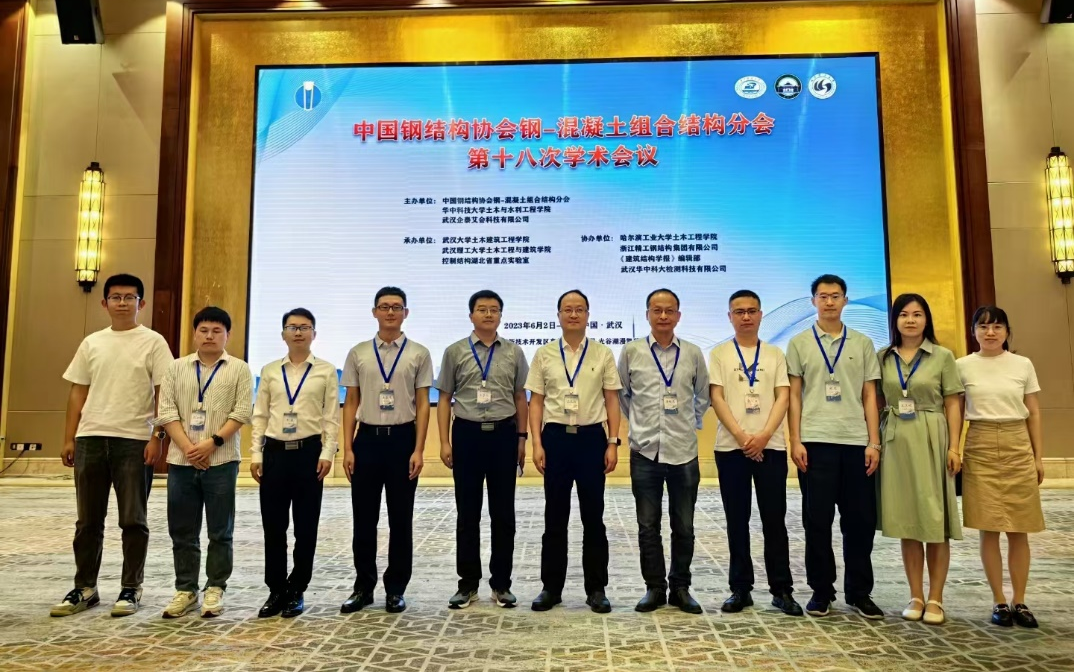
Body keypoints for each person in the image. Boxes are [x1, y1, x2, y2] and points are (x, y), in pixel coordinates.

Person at [51, 273, 174, 618]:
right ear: (104, 303)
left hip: (134, 441)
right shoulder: (92, 342)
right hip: (90, 438)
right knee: (87, 522)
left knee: (133, 520)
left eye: (129, 297)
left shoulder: (153, 342)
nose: (123, 303)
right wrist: (69, 437)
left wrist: (157, 436)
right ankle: (85, 588)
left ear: (141, 303)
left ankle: (131, 587)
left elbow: (164, 393)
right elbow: (78, 392)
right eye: (116, 297)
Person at [786, 274, 884, 620]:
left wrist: (874, 441)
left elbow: (870, 395)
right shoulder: (799, 343)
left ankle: (859, 592)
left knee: (860, 522)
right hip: (814, 443)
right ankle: (821, 591)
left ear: (845, 300)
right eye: (823, 296)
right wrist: (795, 439)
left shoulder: (862, 342)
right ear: (812, 301)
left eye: (836, 296)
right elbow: (794, 396)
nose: (829, 302)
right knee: (817, 521)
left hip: (856, 443)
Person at [526, 289, 622, 613]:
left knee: (593, 517)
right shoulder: (544, 354)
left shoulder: (602, 353)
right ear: (558, 315)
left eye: (579, 309)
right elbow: (536, 402)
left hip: (592, 439)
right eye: (567, 309)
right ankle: (551, 588)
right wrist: (537, 443)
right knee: (555, 517)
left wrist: (613, 442)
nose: (573, 314)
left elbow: (612, 400)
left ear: (588, 315)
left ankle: (596, 589)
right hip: (555, 439)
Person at [340, 287, 433, 614]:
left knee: (401, 520)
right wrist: (347, 447)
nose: (390, 312)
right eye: (384, 306)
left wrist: (419, 449)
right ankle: (363, 587)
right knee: (364, 519)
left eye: (396, 307)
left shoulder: (419, 353)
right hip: (366, 440)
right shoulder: (359, 353)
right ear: (374, 312)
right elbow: (351, 401)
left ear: (406, 313)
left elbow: (423, 403)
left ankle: (396, 589)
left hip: (402, 440)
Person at [709, 290, 802, 617]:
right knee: (737, 521)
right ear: (730, 317)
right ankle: (740, 589)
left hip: (771, 447)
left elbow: (783, 397)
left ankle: (782, 590)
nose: (746, 317)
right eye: (739, 311)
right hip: (730, 448)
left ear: (761, 315)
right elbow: (717, 397)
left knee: (774, 521)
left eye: (751, 311)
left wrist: (762, 437)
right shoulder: (720, 353)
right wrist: (742, 436)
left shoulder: (775, 354)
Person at [157, 306, 253, 619]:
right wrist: (188, 448)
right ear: (195, 333)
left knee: (220, 530)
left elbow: (242, 412)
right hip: (181, 460)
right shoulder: (176, 368)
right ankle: (186, 589)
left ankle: (215, 587)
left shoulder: (239, 369)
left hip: (221, 460)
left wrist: (211, 444)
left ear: (228, 335)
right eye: (204, 330)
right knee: (182, 530)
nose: (209, 336)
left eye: (216, 331)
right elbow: (166, 411)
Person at [618, 289, 709, 614]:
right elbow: (623, 395)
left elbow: (702, 395)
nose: (663, 316)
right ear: (648, 314)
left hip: (683, 451)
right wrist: (640, 424)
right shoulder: (631, 351)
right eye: (657, 310)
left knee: (684, 526)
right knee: (648, 526)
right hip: (645, 452)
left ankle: (680, 588)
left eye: (669, 310)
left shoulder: (693, 353)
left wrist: (687, 423)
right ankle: (654, 588)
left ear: (678, 316)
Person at [437, 290, 529, 609]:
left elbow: (520, 397)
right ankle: (467, 584)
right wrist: (444, 441)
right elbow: (444, 398)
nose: (488, 314)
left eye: (494, 310)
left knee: (503, 514)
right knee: (468, 513)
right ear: (471, 315)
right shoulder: (455, 351)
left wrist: (522, 439)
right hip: (467, 435)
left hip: (504, 435)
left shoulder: (514, 352)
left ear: (501, 315)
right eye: (482, 309)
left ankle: (501, 584)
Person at [875, 294, 963, 625]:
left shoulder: (942, 356)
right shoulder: (883, 356)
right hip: (896, 438)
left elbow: (953, 403)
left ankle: (936, 598)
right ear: (895, 320)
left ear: (927, 319)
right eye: (904, 315)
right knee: (907, 520)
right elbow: (877, 400)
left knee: (935, 520)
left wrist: (954, 447)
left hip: (932, 437)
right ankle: (915, 595)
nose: (910, 320)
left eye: (917, 314)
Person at [957, 306, 1045, 628]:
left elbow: (1034, 412)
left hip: (1016, 441)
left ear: (1007, 331)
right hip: (979, 443)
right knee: (989, 527)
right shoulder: (962, 366)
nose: (990, 332)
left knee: (1019, 527)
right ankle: (998, 601)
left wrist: (1037, 456)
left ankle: (1020, 601)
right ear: (973, 332)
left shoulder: (1022, 364)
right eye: (983, 327)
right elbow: (956, 412)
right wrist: (955, 449)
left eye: (997, 326)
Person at [250, 308, 340, 619]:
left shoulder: (326, 371)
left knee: (306, 526)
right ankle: (276, 589)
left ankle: (297, 588)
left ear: (314, 333)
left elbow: (331, 416)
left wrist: (328, 453)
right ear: (283, 334)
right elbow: (260, 415)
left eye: (304, 327)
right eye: (292, 327)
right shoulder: (270, 371)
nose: (298, 332)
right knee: (274, 526)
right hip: (274, 454)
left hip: (309, 454)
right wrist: (256, 454)